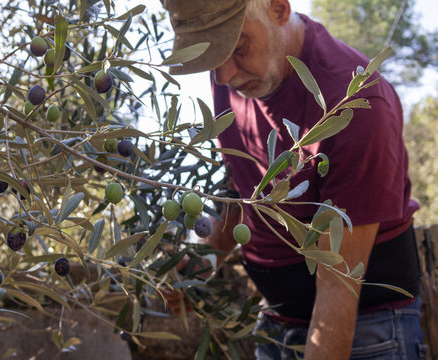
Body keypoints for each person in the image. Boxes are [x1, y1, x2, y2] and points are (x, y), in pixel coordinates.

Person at [161, 0, 427, 359]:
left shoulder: (355, 105)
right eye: (212, 55)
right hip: (277, 322)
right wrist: (204, 260)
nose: (223, 76)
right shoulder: (234, 75)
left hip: (366, 327)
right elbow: (245, 193)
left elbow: (338, 284)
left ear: (278, 9)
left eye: (237, 46)